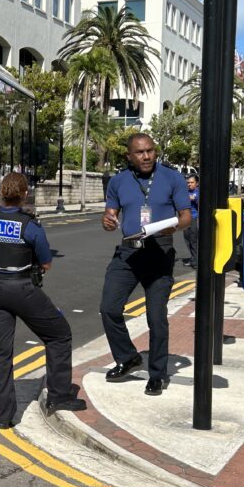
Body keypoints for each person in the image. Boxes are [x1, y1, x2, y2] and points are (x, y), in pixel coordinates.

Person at [0, 172, 86, 429]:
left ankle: (2, 416)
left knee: (0, 353)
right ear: (25, 194)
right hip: (22, 289)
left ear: (1, 192)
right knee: (59, 335)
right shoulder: (29, 225)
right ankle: (58, 397)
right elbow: (46, 263)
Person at [99, 133, 192, 396]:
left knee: (156, 318)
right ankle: (128, 357)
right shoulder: (118, 181)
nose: (147, 156)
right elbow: (110, 216)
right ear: (129, 156)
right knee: (109, 308)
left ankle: (157, 374)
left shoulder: (173, 177)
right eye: (140, 152)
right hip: (128, 252)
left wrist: (171, 227)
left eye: (150, 151)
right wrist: (107, 222)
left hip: (159, 252)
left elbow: (186, 217)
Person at [182, 174, 199, 269]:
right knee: (187, 239)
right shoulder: (185, 192)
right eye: (188, 182)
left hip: (194, 218)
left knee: (193, 240)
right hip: (185, 219)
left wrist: (194, 199)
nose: (189, 184)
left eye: (192, 182)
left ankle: (196, 261)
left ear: (197, 183)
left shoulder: (198, 192)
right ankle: (193, 258)